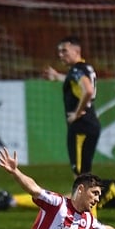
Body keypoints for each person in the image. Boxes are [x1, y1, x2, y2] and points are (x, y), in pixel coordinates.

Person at [43, 36, 101, 177]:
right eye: (59, 52)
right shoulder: (85, 68)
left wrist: (76, 113)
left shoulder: (76, 70)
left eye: (65, 51)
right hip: (90, 122)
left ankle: (84, 199)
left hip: (81, 126)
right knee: (85, 173)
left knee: (80, 175)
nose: (61, 55)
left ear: (77, 51)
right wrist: (58, 77)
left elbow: (87, 90)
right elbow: (77, 82)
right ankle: (87, 198)